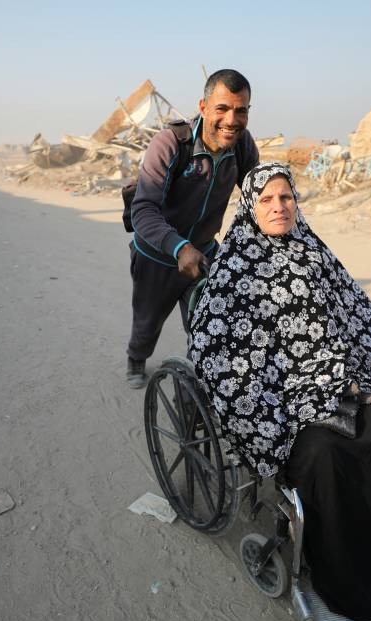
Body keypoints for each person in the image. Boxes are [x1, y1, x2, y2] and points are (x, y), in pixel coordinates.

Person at [189, 162, 371, 621]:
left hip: (340, 385)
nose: (279, 207)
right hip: (281, 405)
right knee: (324, 455)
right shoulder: (234, 271)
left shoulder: (315, 252)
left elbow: (359, 315)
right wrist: (279, 409)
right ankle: (338, 579)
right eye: (267, 200)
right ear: (251, 209)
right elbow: (215, 351)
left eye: (286, 198)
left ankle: (367, 539)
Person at [124, 68, 259, 388]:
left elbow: (259, 197)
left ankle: (203, 386)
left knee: (208, 326)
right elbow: (143, 210)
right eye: (222, 109)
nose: (231, 120)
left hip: (203, 252)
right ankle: (136, 357)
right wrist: (178, 247)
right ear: (203, 107)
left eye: (241, 110)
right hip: (157, 255)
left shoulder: (242, 146)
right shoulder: (171, 143)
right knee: (148, 321)